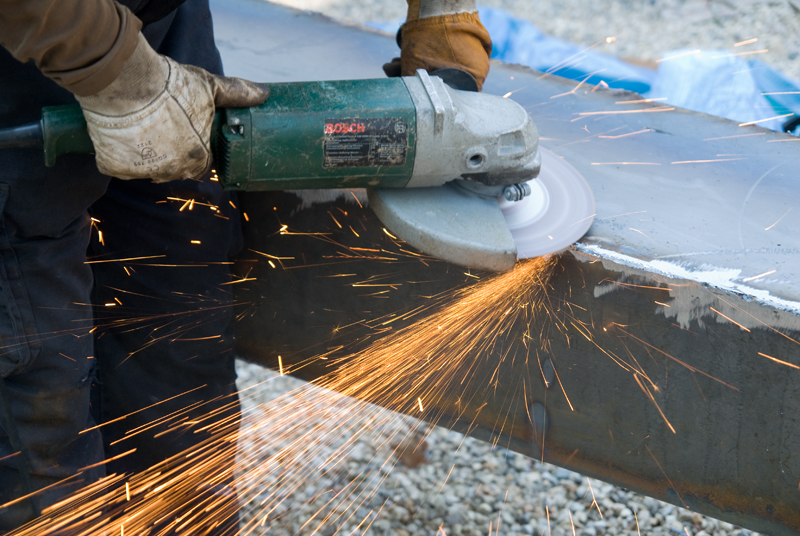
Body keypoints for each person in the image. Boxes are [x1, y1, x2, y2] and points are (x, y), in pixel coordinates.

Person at [0, 0, 492, 532]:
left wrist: (443, 22)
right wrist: (119, 71)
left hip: (153, 18)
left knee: (178, 331)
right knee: (39, 428)